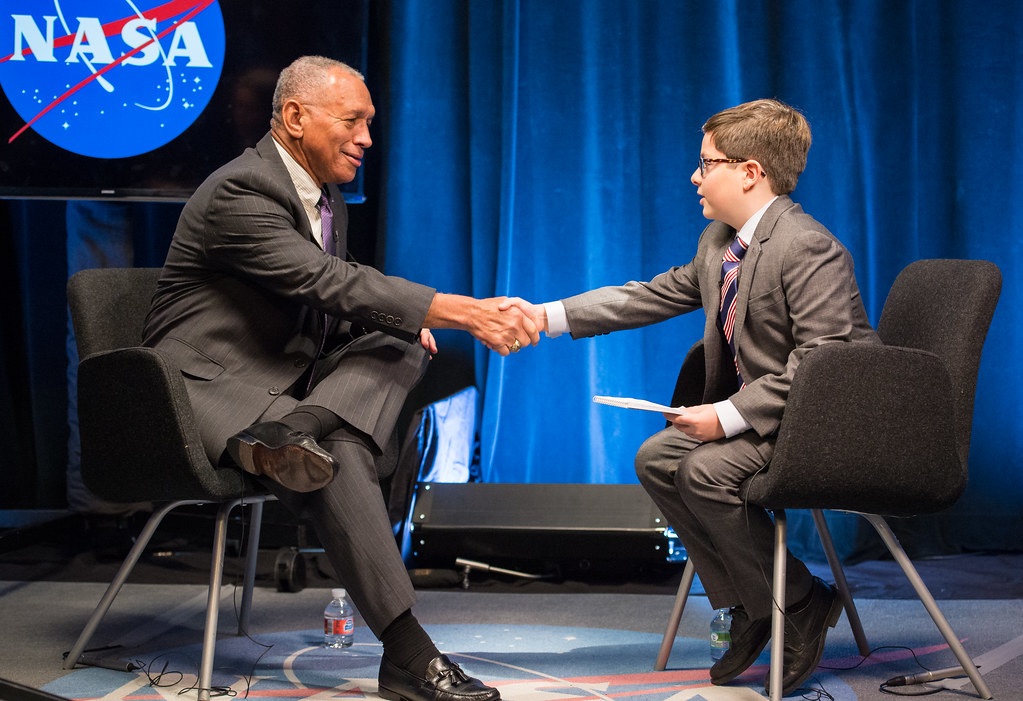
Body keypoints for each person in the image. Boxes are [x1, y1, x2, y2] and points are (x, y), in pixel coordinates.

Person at [143, 55, 538, 701]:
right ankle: (409, 653)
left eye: (370, 123)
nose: (367, 139)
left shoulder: (323, 195)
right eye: (353, 121)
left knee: (403, 338)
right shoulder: (239, 190)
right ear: (295, 117)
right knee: (342, 451)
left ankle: (298, 429)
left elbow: (337, 306)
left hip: (288, 387)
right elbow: (324, 281)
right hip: (206, 387)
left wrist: (406, 326)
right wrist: (465, 311)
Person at [502, 99, 880, 696]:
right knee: (656, 459)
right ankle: (758, 604)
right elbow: (647, 296)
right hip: (775, 418)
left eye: (707, 163)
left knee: (705, 470)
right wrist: (543, 316)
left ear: (750, 172)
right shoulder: (719, 243)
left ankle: (799, 600)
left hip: (824, 425)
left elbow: (823, 365)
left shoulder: (806, 247)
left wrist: (728, 416)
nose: (694, 176)